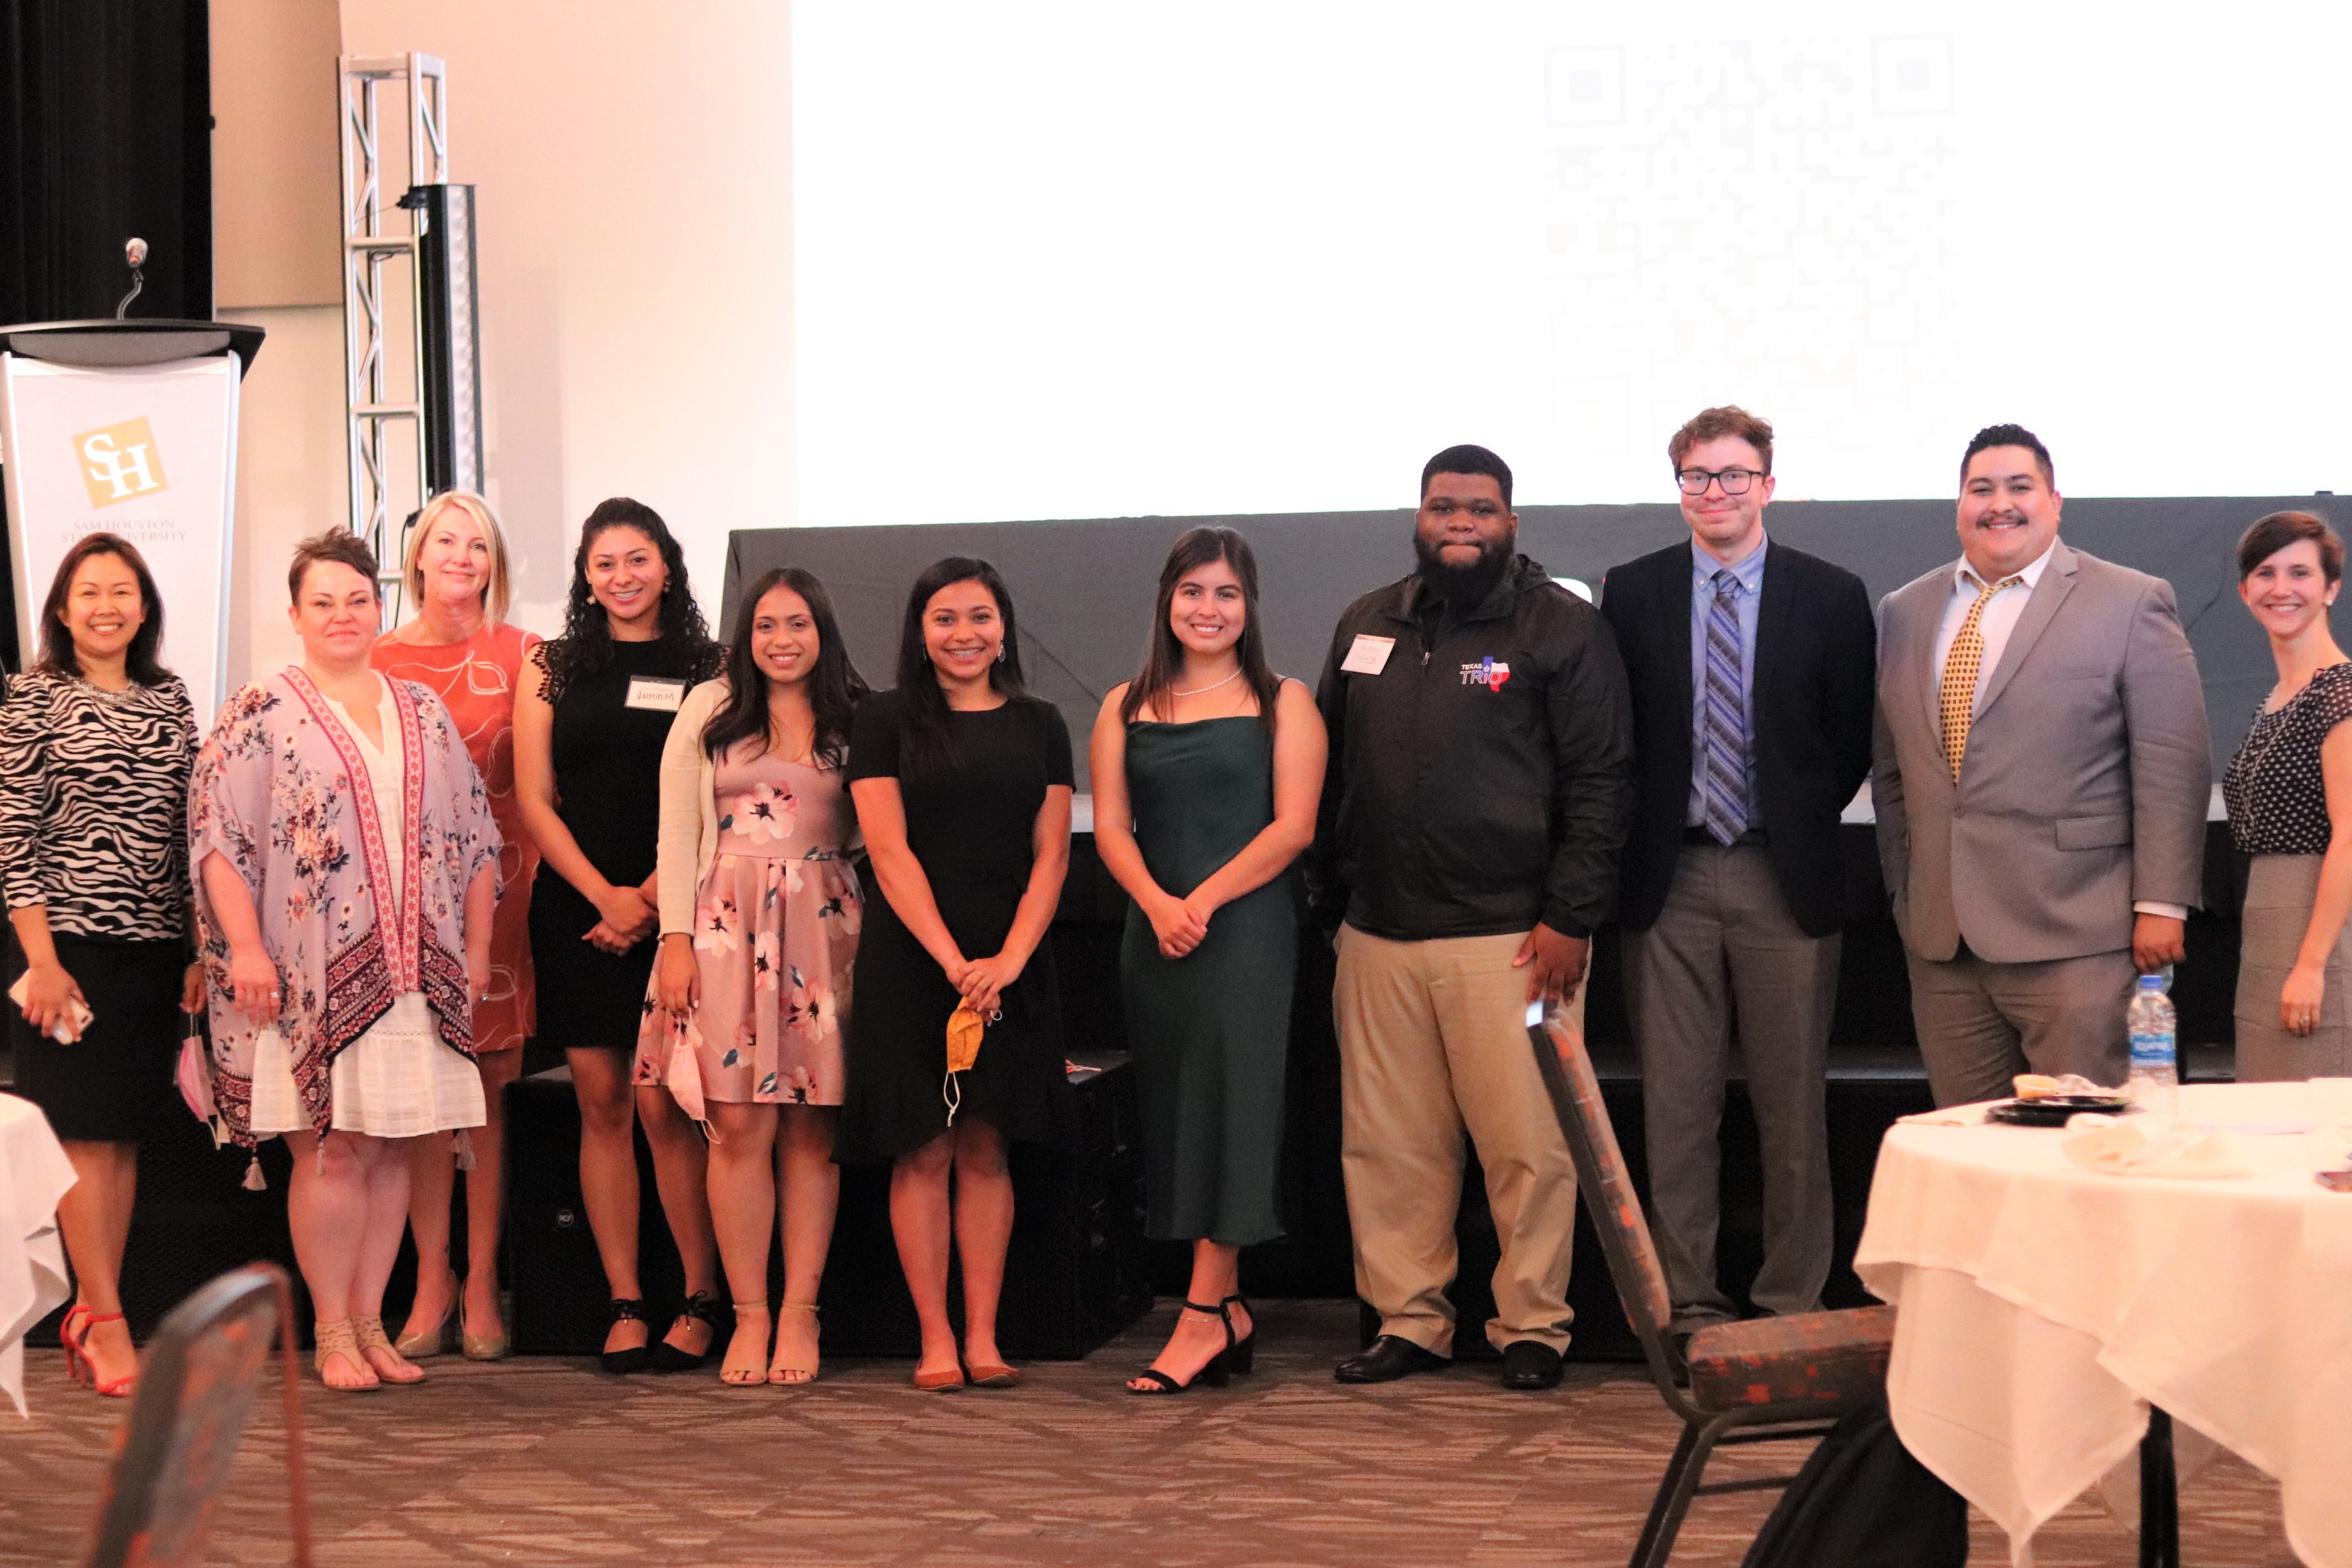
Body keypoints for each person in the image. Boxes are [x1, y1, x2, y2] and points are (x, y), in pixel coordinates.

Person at [1309, 443, 1634, 1392]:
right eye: (1443, 507)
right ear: (1418, 518)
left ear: (1510, 523)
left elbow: (1604, 781)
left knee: (1528, 1149)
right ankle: (1411, 1320)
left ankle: (1532, 1326)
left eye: (1480, 509)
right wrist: (1333, 906)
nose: (1461, 522)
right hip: (1379, 934)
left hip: (1513, 937)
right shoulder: (1366, 620)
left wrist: (1572, 915)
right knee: (1389, 1149)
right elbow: (1330, 770)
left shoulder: (1561, 626)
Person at [190, 530, 499, 1390]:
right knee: (329, 1149)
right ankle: (331, 1329)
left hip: (416, 972)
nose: (341, 615)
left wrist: (474, 950)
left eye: (357, 600)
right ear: (294, 614)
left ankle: (371, 1325)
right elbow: (217, 838)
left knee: (392, 1146)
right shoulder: (259, 711)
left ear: (379, 606)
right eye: (322, 602)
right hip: (306, 976)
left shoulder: (422, 709)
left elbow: (475, 835)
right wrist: (244, 947)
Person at [1600, 407, 1875, 1351]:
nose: (1714, 491)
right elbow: (1620, 736)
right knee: (1677, 1109)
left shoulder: (1831, 594)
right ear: (1678, 486)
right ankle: (1688, 1307)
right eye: (1697, 476)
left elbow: (1846, 742)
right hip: (1667, 877)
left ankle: (1790, 1304)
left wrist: (1784, 819)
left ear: (1768, 485)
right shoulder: (1632, 591)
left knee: (1791, 1109)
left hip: (1780, 876)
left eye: (1733, 475)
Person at [1871, 424, 2210, 1106]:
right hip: (1944, 946)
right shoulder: (1904, 611)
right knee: (1968, 1149)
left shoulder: (2130, 600)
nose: (2000, 504)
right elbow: (1893, 770)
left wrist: (2161, 903)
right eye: (1981, 489)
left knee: (2084, 1149)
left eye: (2019, 487)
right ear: (1959, 505)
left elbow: (2173, 764)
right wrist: (1908, 896)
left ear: (2055, 502)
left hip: (2078, 939)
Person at [1089, 527, 1326, 1394]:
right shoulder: (1123, 704)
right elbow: (1111, 827)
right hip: (1156, 935)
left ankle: (1199, 1312)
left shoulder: (1284, 701)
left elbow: (1293, 829)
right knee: (1179, 1111)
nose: (1208, 609)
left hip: (1245, 934)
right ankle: (1225, 1309)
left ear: (1249, 605)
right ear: (1167, 600)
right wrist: (1160, 905)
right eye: (1192, 591)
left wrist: (1202, 902)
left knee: (1234, 1107)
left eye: (1226, 593)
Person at [837, 557, 1076, 1391]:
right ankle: (935, 1340)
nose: (963, 633)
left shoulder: (1042, 722)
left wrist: (1007, 962)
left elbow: (1052, 856)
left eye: (980, 616)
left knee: (986, 1146)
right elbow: (888, 852)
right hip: (913, 958)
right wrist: (952, 962)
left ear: (1004, 627)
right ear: (920, 630)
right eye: (945, 618)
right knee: (923, 1148)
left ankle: (982, 1336)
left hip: (1011, 958)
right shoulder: (884, 718)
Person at [514, 497, 726, 1373]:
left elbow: (720, 793)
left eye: (638, 559)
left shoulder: (712, 664)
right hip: (578, 908)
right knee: (601, 1103)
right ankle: (626, 1300)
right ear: (585, 576)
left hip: (679, 910)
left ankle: (702, 1298)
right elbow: (534, 798)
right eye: (604, 563)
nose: (622, 576)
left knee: (668, 1105)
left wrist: (649, 898)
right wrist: (604, 895)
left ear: (667, 566)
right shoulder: (550, 665)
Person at [643, 567, 867, 1385]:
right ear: (746, 635)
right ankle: (749, 1315)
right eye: (767, 624)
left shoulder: (856, 714)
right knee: (736, 1128)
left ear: (823, 631)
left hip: (822, 932)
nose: (782, 639)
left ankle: (800, 1314)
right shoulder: (710, 707)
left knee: (811, 1131)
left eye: (798, 623)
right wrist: (674, 939)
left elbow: (877, 830)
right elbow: (675, 831)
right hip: (720, 931)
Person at [1, 534, 202, 1399]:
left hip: (152, 950)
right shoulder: (32, 697)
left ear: (145, 606)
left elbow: (192, 836)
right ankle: (109, 1320)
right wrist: (40, 960)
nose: (106, 606)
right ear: (61, 607)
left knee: (119, 1138)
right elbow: (15, 835)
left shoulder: (171, 699)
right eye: (89, 592)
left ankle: (95, 1308)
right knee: (82, 1135)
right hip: (68, 953)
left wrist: (198, 948)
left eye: (122, 591)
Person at [371, 491, 540, 1362]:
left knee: (487, 1092)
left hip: (504, 894)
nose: (461, 556)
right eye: (447, 541)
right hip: (407, 903)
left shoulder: (527, 654)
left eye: (477, 544)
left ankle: (481, 1282)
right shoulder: (378, 656)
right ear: (419, 556)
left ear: (493, 561)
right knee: (423, 1093)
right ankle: (431, 1277)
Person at [2223, 511, 2352, 1080]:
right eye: (2266, 573)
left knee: (2314, 1120)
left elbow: (2350, 836)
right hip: (2267, 938)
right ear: (2245, 591)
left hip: (2318, 938)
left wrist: (2311, 964)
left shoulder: (2341, 692)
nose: (2281, 588)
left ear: (2331, 589)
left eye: (2300, 573)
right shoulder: (2276, 698)